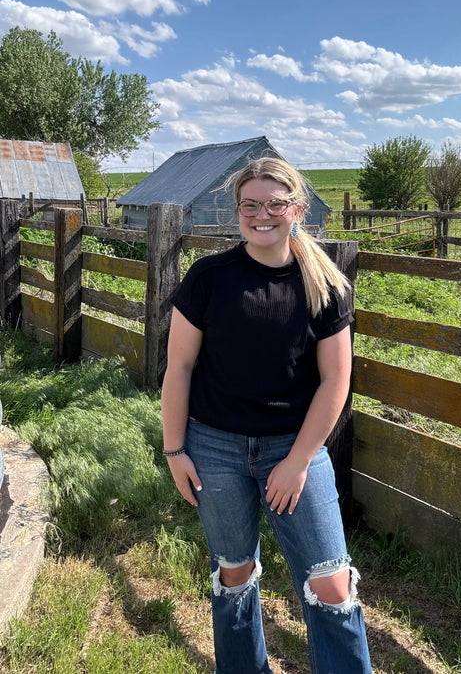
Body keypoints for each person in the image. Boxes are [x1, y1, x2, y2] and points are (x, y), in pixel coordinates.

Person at [161, 156, 372, 674]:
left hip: (293, 448)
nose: (262, 214)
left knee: (332, 582)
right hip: (213, 449)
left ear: (296, 208)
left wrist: (299, 461)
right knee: (234, 571)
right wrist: (174, 450)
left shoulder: (324, 284)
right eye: (250, 205)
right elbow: (179, 367)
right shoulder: (210, 277)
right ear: (236, 212)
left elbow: (335, 382)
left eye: (275, 204)